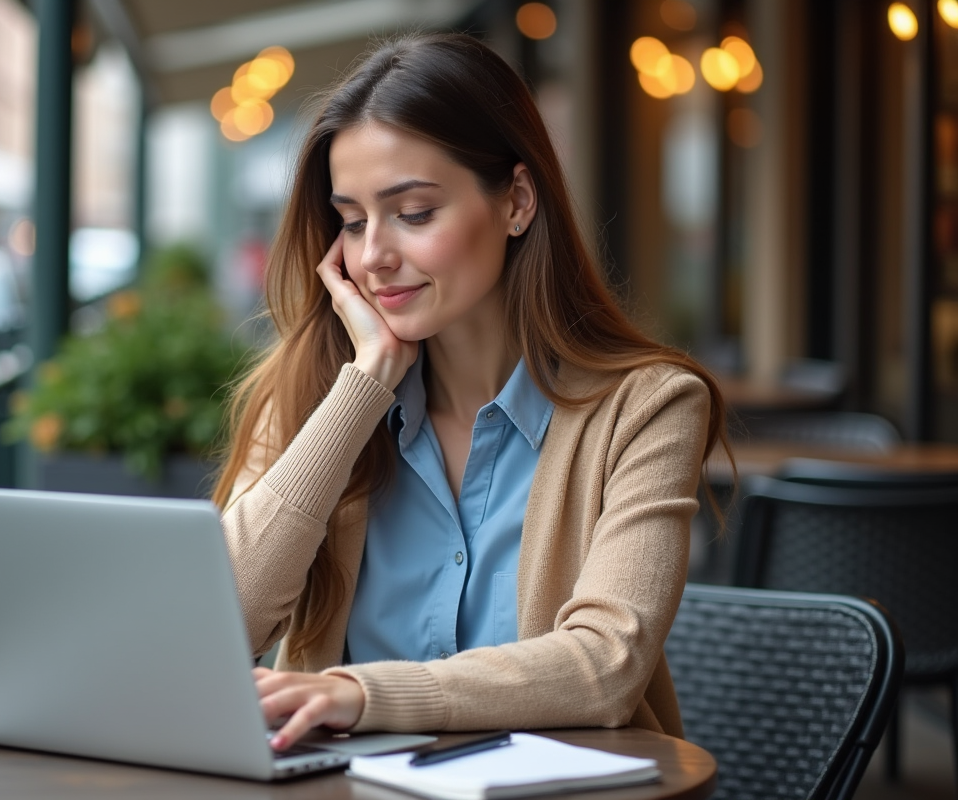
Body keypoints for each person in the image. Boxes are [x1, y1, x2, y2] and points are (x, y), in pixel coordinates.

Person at [212, 32, 732, 752]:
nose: (372, 257)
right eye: (353, 221)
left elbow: (604, 666)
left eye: (415, 213)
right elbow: (218, 628)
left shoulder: (647, 409)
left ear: (517, 201)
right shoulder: (314, 399)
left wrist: (361, 694)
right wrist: (363, 387)